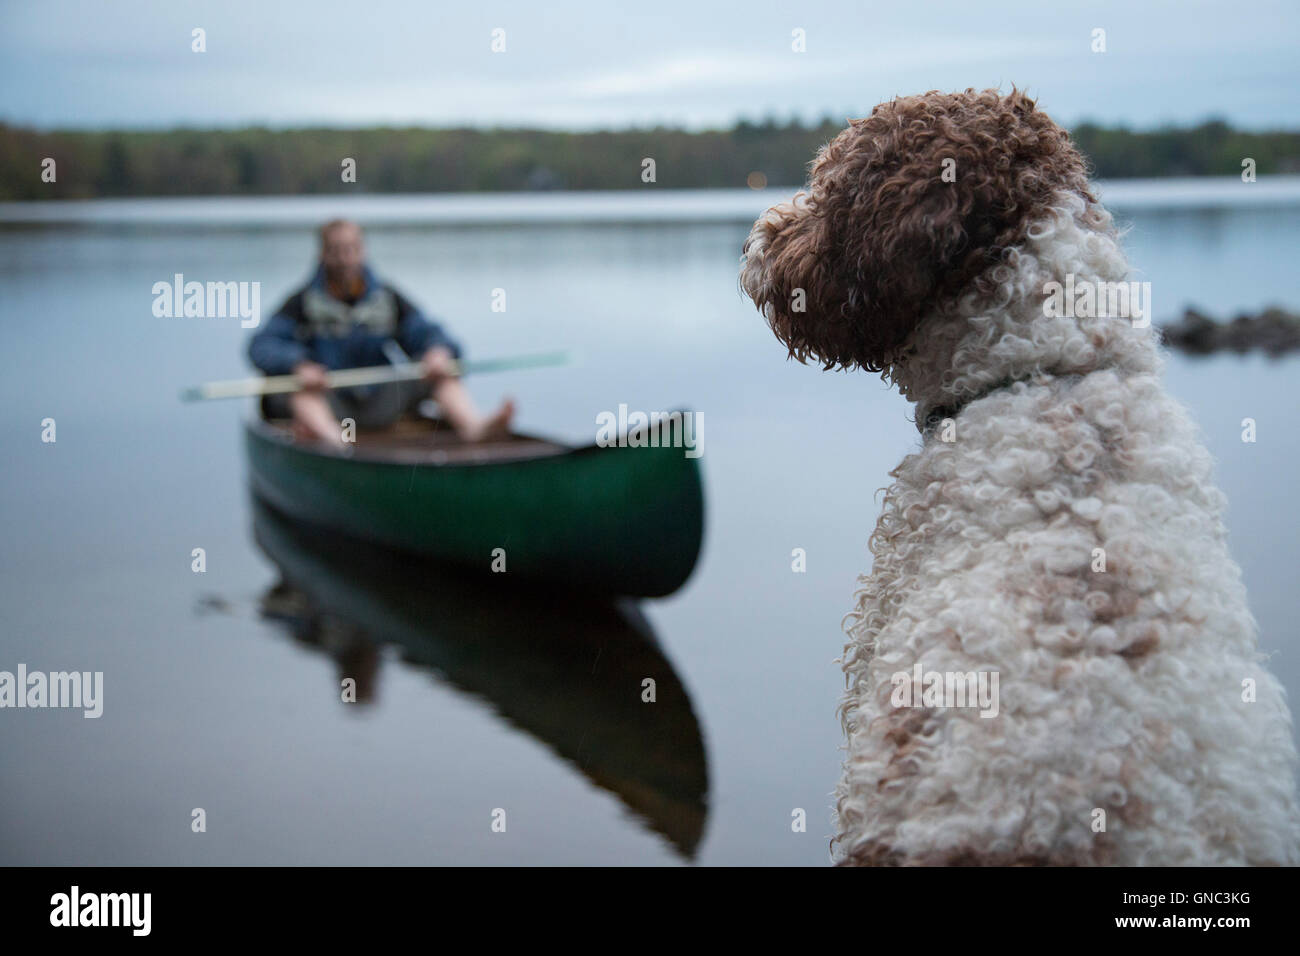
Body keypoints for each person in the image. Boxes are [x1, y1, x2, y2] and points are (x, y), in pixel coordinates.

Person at [248, 219, 514, 445]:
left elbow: (425, 330)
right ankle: (337, 445)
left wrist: (437, 352)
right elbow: (262, 345)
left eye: (351, 249)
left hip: (380, 398)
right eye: (336, 250)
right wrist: (298, 365)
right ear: (323, 254)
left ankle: (475, 428)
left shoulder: (386, 297)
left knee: (441, 372)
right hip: (331, 401)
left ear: (362, 251)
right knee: (297, 390)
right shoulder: (302, 302)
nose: (344, 258)